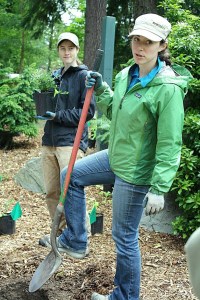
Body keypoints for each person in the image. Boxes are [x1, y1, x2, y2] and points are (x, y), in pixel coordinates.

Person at [45, 14, 192, 299]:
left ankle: (125, 296)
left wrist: (159, 188)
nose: (140, 46)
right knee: (69, 175)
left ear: (162, 45)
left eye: (148, 42)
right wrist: (101, 88)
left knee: (124, 238)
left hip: (136, 171)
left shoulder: (167, 88)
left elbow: (170, 142)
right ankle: (76, 239)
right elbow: (115, 110)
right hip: (117, 157)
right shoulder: (128, 74)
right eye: (137, 39)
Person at [38, 32, 95, 246]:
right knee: (52, 192)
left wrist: (58, 116)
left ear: (77, 50)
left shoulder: (84, 76)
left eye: (71, 48)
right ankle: (61, 234)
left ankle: (81, 236)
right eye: (63, 48)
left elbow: (87, 111)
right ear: (59, 51)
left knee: (71, 192)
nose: (67, 52)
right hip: (49, 142)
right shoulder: (54, 76)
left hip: (70, 142)